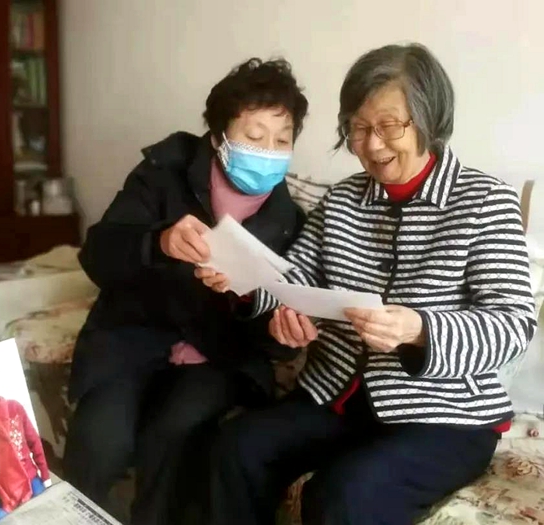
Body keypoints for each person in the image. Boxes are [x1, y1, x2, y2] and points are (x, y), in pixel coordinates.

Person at [198, 43, 538, 525]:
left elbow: (512, 324)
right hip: (336, 394)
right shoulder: (342, 200)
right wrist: (252, 288)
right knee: (237, 446)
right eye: (357, 128)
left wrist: (420, 329)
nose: (372, 145)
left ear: (429, 118)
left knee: (343, 495)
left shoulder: (485, 201)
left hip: (444, 416)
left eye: (389, 126)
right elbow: (295, 277)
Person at [63, 58, 308, 524]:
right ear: (217, 137)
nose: (268, 152)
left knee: (172, 435)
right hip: (132, 337)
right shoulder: (163, 171)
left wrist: (253, 305)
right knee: (99, 442)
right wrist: (158, 242)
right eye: (254, 136)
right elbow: (97, 254)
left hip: (219, 357)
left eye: (282, 140)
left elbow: (274, 342)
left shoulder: (289, 221)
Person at [0, 364, 50, 524]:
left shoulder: (14, 407)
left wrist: (45, 475)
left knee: (47, 512)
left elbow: (34, 442)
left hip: (29, 478)